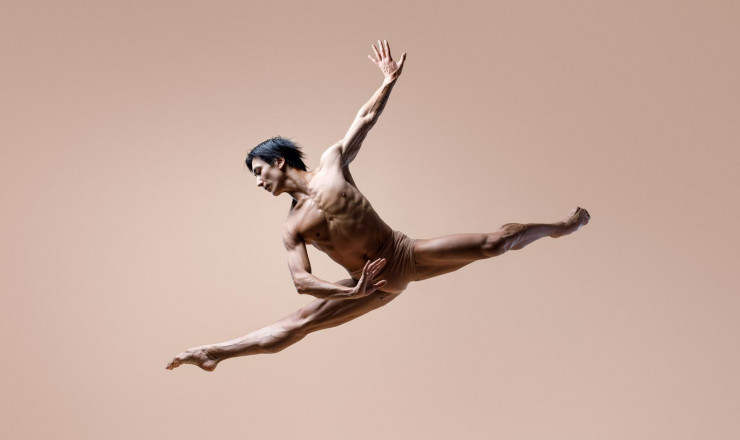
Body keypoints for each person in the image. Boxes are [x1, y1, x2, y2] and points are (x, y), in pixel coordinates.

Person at [166, 40, 590, 372]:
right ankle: (213, 354)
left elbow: (365, 119)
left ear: (279, 162)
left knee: (496, 243)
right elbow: (302, 282)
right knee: (299, 323)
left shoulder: (332, 164)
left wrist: (387, 81)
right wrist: (354, 290)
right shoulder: (292, 227)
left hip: (403, 253)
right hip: (369, 284)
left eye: (259, 171)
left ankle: (561, 227)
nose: (258, 182)